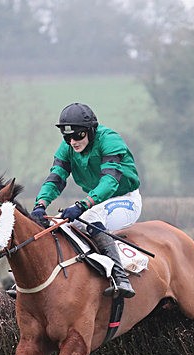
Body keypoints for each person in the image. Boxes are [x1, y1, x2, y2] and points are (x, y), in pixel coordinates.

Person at [30, 102, 141, 299]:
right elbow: (56, 178)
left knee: (88, 218)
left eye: (78, 135)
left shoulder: (110, 140)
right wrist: (41, 204)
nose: (73, 141)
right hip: (97, 202)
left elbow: (110, 181)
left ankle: (120, 276)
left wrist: (83, 204)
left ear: (90, 130)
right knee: (56, 223)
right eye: (67, 136)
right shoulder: (67, 148)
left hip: (125, 199)